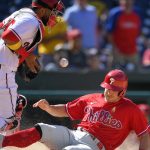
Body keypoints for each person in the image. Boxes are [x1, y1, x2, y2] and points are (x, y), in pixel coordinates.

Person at [0, 69, 150, 150]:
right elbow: (66, 110)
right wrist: (49, 107)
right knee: (42, 130)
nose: (108, 91)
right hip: (74, 134)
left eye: (112, 89)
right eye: (106, 87)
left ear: (122, 92)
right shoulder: (91, 98)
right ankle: (3, 141)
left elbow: (144, 135)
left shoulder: (131, 109)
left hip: (94, 146)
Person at [0, 0, 64, 134]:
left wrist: (25, 56)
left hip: (4, 65)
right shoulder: (32, 21)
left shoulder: (21, 14)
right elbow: (8, 37)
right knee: (8, 122)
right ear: (41, 10)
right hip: (3, 67)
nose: (54, 16)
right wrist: (26, 55)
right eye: (52, 12)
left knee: (18, 104)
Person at [105, 0, 142, 71]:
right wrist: (114, 48)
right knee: (114, 75)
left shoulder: (137, 14)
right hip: (118, 52)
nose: (127, 2)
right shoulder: (115, 13)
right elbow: (110, 33)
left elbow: (138, 32)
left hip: (132, 51)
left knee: (138, 73)